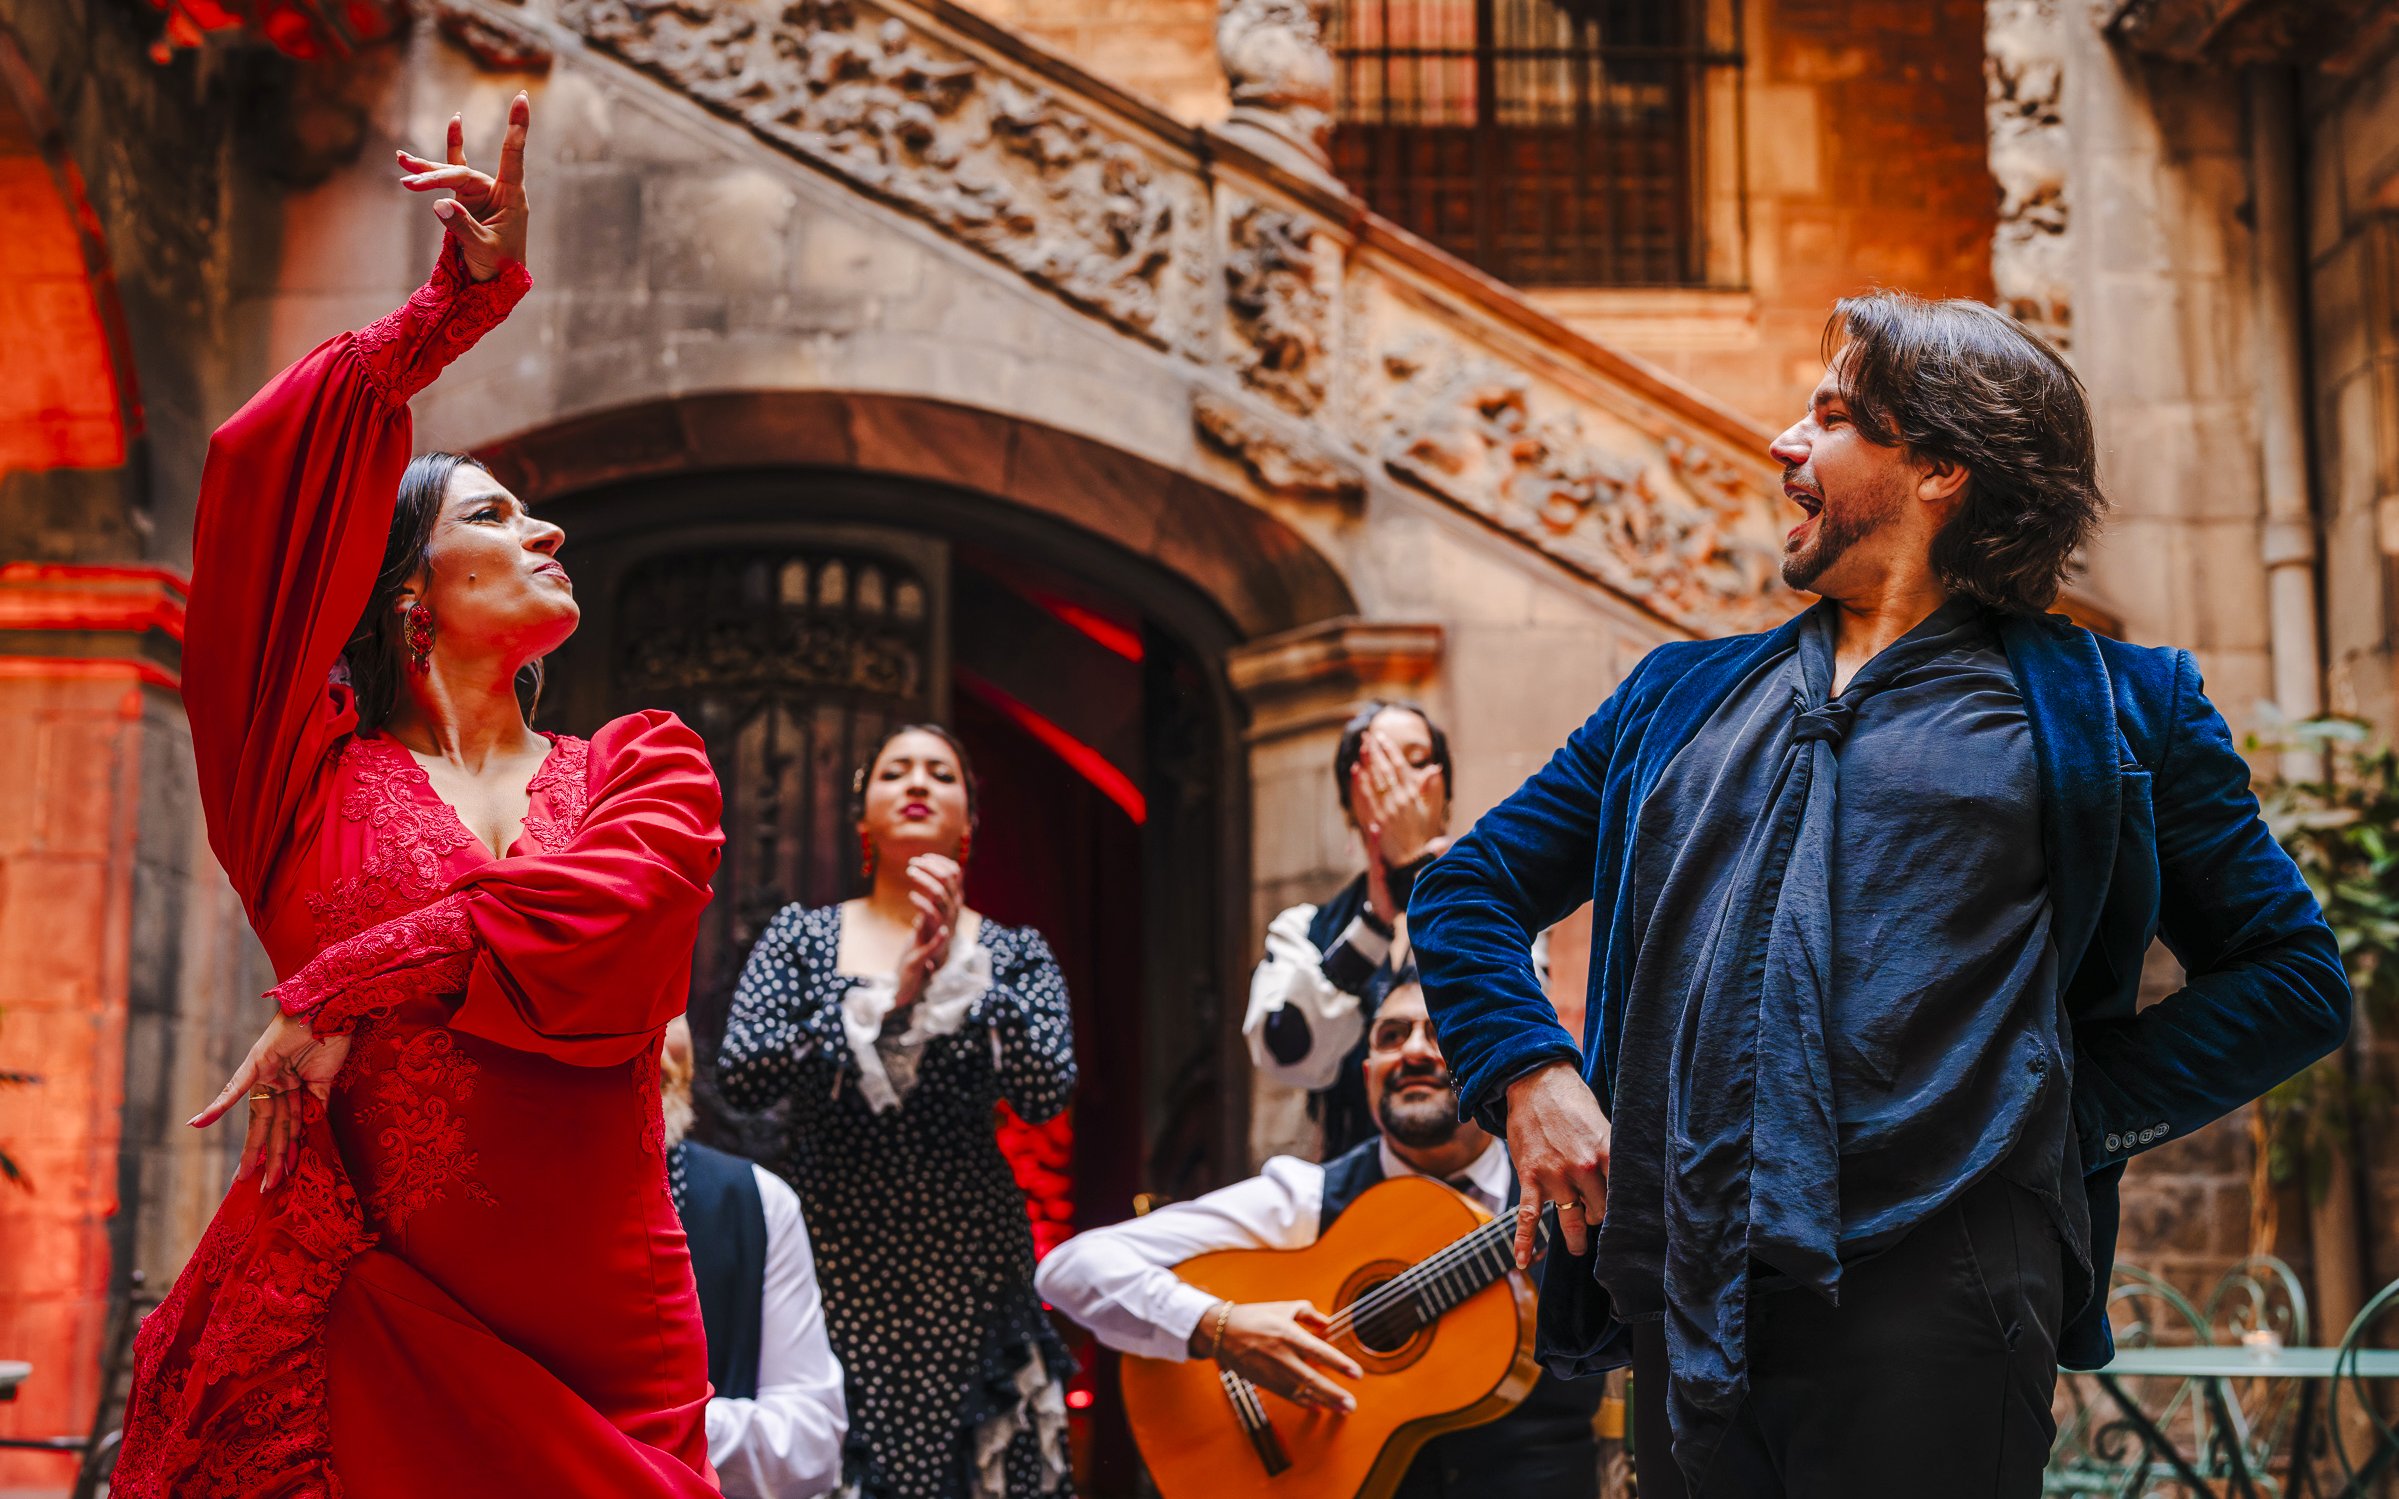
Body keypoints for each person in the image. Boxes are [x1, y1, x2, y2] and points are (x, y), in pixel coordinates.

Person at [1409, 292, 2354, 1499]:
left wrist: (2049, 1117)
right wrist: (1527, 1070)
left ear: (1940, 467)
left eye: (1831, 416)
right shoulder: (1670, 696)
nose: (1781, 441)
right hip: (1686, 1290)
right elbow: (1470, 885)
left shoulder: (2118, 706)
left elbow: (2291, 979)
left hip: (1944, 1287)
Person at [114, 95, 731, 1498]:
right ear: (409, 591)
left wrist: (338, 982)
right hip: (360, 1310)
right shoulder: (296, 777)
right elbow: (260, 473)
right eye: (492, 516)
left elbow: (612, 924)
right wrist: (450, 308)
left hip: (607, 1335)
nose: (546, 527)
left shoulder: (641, 767)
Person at [1039, 972, 1603, 1498]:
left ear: (1490, 1063)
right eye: (1391, 1035)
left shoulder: (1572, 1182)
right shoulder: (1306, 1199)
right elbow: (1071, 1267)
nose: (1413, 1050)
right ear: (1368, 1073)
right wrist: (1218, 1328)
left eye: (1439, 1034)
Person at [717, 723, 1079, 1499]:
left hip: (970, 1262)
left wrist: (964, 972)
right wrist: (892, 1001)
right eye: (896, 771)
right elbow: (743, 1072)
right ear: (863, 814)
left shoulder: (1014, 952)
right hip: (829, 1253)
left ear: (969, 818)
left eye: (940, 774)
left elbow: (1046, 1087)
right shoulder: (802, 938)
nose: (917, 783)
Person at [1244, 700, 1453, 1157]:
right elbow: (1287, 1054)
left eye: (1416, 761)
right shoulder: (1304, 930)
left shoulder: (1503, 908)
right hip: (1358, 1181)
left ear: (1445, 794)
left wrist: (1425, 877)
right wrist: (1372, 928)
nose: (1398, 784)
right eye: (1380, 767)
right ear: (1349, 803)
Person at [659, 1017, 848, 1499]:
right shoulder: (485, 1200)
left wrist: (662, 1426)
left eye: (670, 1007)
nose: (653, 1042)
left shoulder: (759, 1202)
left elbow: (812, 1440)